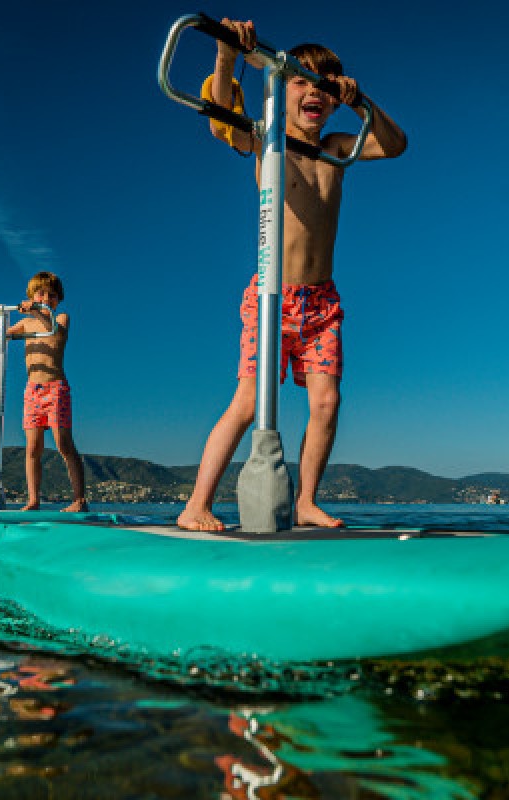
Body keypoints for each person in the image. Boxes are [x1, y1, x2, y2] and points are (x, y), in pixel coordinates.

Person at [176, 18, 407, 531]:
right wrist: (226, 54)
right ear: (281, 88)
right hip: (271, 296)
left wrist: (361, 101)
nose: (314, 92)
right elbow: (220, 120)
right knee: (248, 401)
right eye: (301, 80)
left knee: (326, 401)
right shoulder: (266, 138)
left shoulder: (338, 148)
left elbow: (394, 145)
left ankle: (305, 501)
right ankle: (197, 504)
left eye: (324, 86)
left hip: (322, 302)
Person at [0, 271, 87, 512]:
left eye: (52, 295)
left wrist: (37, 311)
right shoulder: (25, 323)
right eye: (41, 293)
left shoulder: (61, 317)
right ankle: (33, 500)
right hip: (33, 391)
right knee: (33, 447)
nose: (46, 297)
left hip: (56, 388)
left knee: (63, 444)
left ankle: (79, 500)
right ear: (31, 294)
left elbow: (55, 331)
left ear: (58, 299)